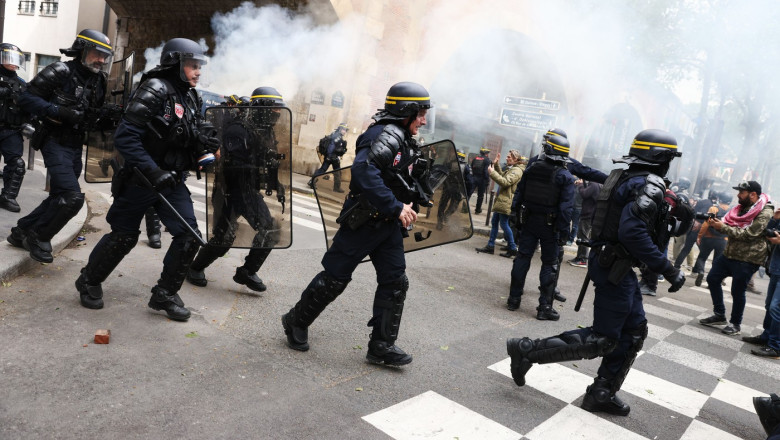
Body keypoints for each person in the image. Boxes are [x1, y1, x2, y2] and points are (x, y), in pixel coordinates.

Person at [506, 129, 686, 416]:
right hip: (614, 266)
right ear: (661, 158)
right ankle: (527, 349)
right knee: (602, 339)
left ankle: (602, 393)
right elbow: (633, 233)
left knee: (634, 331)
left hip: (615, 265)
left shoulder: (625, 176)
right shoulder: (645, 184)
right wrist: (668, 269)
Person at [281, 81, 432, 366]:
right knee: (334, 279)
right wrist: (395, 205)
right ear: (406, 111)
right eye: (421, 113)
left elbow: (395, 176)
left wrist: (413, 196)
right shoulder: (382, 134)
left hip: (388, 225)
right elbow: (364, 173)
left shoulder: (403, 137)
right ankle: (295, 321)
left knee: (396, 281)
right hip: (364, 221)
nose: (423, 120)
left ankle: (381, 346)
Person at [74, 37, 219, 321]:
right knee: (124, 237)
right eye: (192, 65)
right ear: (175, 64)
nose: (198, 71)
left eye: (200, 66)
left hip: (172, 180)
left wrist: (203, 146)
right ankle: (89, 280)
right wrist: (153, 170)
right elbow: (125, 137)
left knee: (189, 237)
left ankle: (164, 293)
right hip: (140, 179)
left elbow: (184, 136)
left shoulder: (190, 96)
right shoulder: (155, 89)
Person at [8, 30, 114, 262]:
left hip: (76, 145)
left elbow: (89, 114)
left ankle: (21, 232)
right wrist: (59, 111)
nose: (102, 60)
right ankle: (39, 236)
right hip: (54, 141)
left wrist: (107, 116)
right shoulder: (60, 71)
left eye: (105, 56)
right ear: (83, 49)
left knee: (58, 195)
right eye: (97, 53)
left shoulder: (99, 80)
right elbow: (25, 97)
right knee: (71, 197)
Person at [186, 86, 286, 292]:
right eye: (273, 110)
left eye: (279, 111)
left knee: (271, 230)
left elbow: (268, 161)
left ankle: (247, 271)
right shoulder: (238, 129)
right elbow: (232, 167)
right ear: (261, 108)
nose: (276, 115)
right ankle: (194, 267)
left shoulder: (266, 131)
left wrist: (277, 183)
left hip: (249, 191)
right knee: (224, 238)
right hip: (230, 191)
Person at [505, 133, 575, 318]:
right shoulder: (565, 176)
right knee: (549, 265)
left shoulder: (532, 168)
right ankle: (544, 308)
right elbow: (566, 209)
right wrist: (563, 231)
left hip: (528, 221)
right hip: (550, 226)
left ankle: (513, 300)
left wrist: (515, 217)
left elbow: (519, 194)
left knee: (522, 258)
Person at [699, 180, 773, 336]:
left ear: (753, 194)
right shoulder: (739, 209)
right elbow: (730, 226)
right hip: (730, 253)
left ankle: (735, 323)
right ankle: (719, 314)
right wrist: (718, 224)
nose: (738, 195)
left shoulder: (765, 212)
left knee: (737, 291)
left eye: (741, 192)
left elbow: (749, 235)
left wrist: (723, 227)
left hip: (748, 257)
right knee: (712, 278)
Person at [741, 205, 780, 359]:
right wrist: (775, 219)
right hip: (776, 268)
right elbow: (767, 233)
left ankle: (776, 346)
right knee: (770, 305)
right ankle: (767, 336)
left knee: (776, 307)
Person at [474, 149, 524, 257]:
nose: (506, 158)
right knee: (495, 222)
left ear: (515, 159)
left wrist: (492, 173)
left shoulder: (517, 171)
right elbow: (502, 175)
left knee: (504, 224)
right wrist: (496, 164)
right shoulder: (513, 169)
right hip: (502, 200)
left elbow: (505, 182)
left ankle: (512, 247)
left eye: (509, 157)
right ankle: (491, 246)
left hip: (506, 200)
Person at [0, 43, 29, 213]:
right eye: (7, 58)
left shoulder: (21, 84)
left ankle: (8, 197)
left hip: (10, 130)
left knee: (17, 164)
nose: (12, 62)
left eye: (15, 59)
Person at [693, 191, 730, 286]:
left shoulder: (714, 209)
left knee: (702, 257)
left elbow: (706, 223)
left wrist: (699, 236)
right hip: (723, 240)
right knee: (717, 261)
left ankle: (701, 272)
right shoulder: (731, 211)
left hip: (709, 237)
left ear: (720, 199)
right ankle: (711, 282)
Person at [436, 149, 471, 230]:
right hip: (457, 190)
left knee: (442, 205)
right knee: (454, 205)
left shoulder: (448, 164)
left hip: (447, 188)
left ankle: (439, 223)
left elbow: (442, 175)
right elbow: (469, 181)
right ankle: (447, 215)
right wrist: (467, 192)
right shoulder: (466, 167)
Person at [569, 179, 602, 267]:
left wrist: (580, 185)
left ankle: (583, 259)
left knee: (583, 237)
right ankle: (579, 257)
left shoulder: (594, 184)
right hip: (588, 214)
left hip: (588, 214)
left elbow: (584, 194)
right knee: (581, 236)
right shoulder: (596, 184)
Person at [309, 123, 348, 192]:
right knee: (337, 172)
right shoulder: (337, 137)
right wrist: (332, 155)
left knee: (323, 170)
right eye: (344, 130)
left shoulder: (335, 134)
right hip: (332, 158)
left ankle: (311, 182)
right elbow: (331, 148)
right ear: (340, 129)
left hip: (330, 157)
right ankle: (336, 188)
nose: (345, 132)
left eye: (346, 130)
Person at [470, 147, 491, 214]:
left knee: (469, 193)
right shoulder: (487, 160)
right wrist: (487, 180)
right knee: (480, 196)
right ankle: (477, 209)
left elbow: (472, 167)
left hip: (474, 178)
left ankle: (465, 208)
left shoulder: (475, 158)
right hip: (482, 180)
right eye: (487, 153)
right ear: (486, 154)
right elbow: (486, 171)